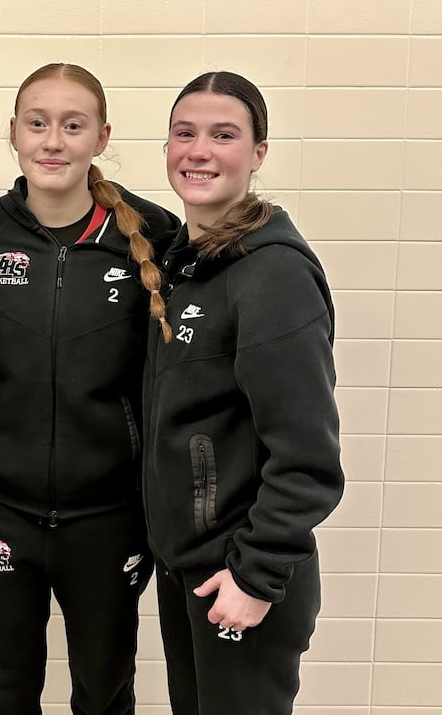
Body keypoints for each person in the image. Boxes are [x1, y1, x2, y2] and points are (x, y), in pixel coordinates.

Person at [0, 62, 180, 715]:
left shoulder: (154, 235)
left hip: (107, 518)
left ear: (101, 136)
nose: (53, 140)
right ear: (15, 134)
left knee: (105, 693)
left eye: (73, 124)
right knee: (0, 696)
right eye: (38, 123)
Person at [142, 70, 345, 715]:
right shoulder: (181, 265)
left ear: (257, 154)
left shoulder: (273, 274)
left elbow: (307, 457)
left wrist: (256, 575)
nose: (199, 150)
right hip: (191, 571)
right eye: (185, 133)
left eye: (223, 135)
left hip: (241, 576)